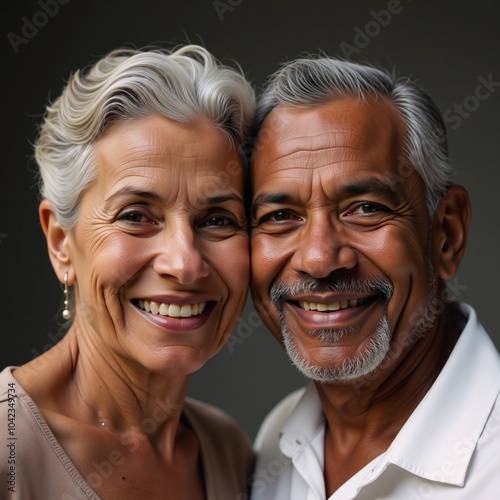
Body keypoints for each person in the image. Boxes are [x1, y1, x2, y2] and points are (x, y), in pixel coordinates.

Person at [0, 45, 255, 499]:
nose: (184, 263)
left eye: (218, 219)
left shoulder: (231, 452)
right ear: (61, 242)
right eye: (136, 215)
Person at [249, 55, 500, 499]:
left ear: (446, 233)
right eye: (281, 216)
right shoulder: (276, 444)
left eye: (366, 208)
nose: (320, 259)